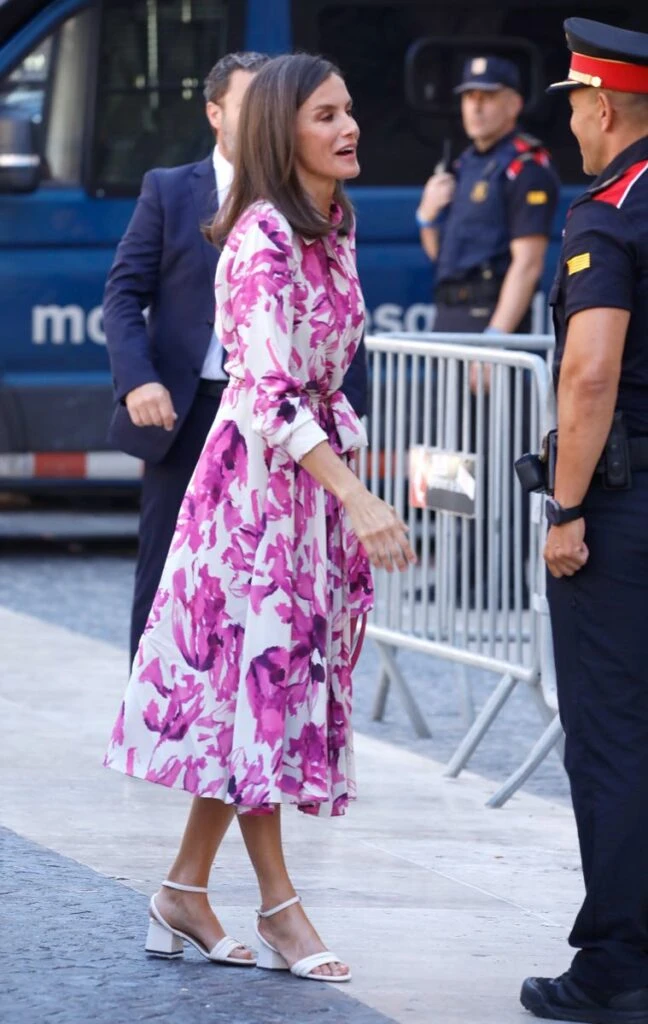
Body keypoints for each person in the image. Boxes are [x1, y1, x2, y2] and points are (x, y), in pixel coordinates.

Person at [104, 53, 415, 983]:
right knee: (263, 692)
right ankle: (281, 907)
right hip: (253, 501)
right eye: (325, 114)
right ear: (283, 130)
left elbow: (329, 374)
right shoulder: (262, 236)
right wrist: (357, 495)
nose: (349, 126)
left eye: (348, 109)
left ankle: (183, 890)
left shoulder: (335, 224)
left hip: (304, 494)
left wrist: (342, 485)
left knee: (252, 703)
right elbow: (270, 396)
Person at [103, 50, 371, 666]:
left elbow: (338, 327)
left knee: (287, 606)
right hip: (188, 409)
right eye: (250, 104)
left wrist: (347, 420)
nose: (259, 117)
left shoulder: (330, 216)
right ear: (216, 114)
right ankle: (164, 697)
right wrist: (138, 380)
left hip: (292, 431)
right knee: (179, 580)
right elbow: (123, 294)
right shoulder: (177, 192)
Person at [519, 18, 648, 1024]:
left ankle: (618, 962)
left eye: (574, 106)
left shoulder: (608, 214)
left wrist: (565, 508)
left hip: (626, 513)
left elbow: (590, 372)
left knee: (611, 734)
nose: (569, 124)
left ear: (602, 106)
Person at [417, 55, 559, 340]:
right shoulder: (465, 164)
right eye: (469, 97)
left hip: (489, 317)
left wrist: (495, 339)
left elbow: (528, 264)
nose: (476, 107)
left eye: (488, 97)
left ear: (514, 105)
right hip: (449, 313)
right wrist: (426, 218)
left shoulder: (525, 167)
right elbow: (446, 259)